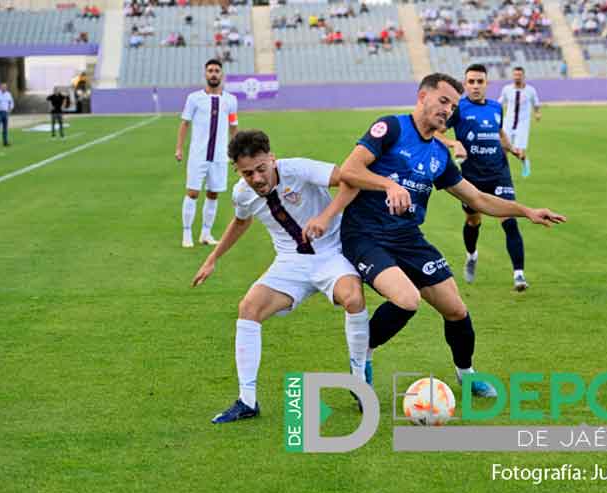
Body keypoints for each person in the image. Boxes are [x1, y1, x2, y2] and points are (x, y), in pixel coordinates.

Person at [311, 73, 565, 398]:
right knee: (406, 299)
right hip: (365, 234)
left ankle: (467, 374)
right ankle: (363, 356)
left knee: (456, 310)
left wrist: (526, 211)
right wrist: (390, 184)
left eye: (453, 106)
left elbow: (477, 199)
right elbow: (349, 170)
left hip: (407, 237)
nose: (448, 110)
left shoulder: (439, 155)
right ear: (422, 97)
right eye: (443, 101)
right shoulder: (391, 128)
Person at [191, 130, 370, 423]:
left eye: (261, 169)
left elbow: (350, 180)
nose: (257, 178)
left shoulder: (298, 169)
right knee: (248, 309)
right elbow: (240, 221)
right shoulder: (242, 193)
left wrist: (326, 217)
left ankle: (360, 380)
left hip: (331, 255)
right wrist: (213, 258)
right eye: (248, 173)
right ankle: (247, 401)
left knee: (353, 298)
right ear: (238, 171)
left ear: (272, 159)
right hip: (290, 263)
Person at [435, 64, 529, 290]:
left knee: (510, 219)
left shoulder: (496, 107)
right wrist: (454, 143)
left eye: (480, 82)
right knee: (473, 220)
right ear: (465, 84)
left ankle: (519, 275)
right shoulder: (457, 109)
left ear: (487, 84)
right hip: (471, 177)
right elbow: (435, 133)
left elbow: (499, 133)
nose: (476, 86)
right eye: (471, 82)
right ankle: (472, 255)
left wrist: (513, 149)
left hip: (499, 173)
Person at [175, 59, 239, 248]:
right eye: (210, 70)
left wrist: (235, 153)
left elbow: (233, 127)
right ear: (205, 74)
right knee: (193, 193)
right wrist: (179, 148)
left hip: (220, 156)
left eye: (216, 71)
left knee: (213, 194)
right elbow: (184, 123)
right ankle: (187, 233)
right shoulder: (194, 98)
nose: (213, 74)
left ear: (222, 75)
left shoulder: (231, 100)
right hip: (198, 155)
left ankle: (206, 233)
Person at [499, 67, 540, 177]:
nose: (517, 77)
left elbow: (535, 103)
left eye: (519, 75)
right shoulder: (507, 89)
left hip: (522, 124)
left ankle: (525, 162)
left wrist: (537, 113)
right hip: (508, 123)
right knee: (503, 149)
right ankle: (504, 172)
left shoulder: (530, 90)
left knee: (518, 151)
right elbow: (500, 103)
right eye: (515, 75)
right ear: (512, 76)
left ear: (523, 76)